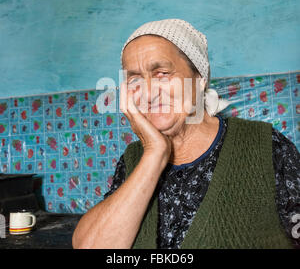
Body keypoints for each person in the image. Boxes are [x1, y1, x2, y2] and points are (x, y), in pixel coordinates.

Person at [72, 19, 300, 249]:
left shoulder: (266, 147)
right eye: (135, 79)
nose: (148, 93)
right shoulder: (133, 159)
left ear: (199, 80)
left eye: (162, 73)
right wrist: (154, 154)